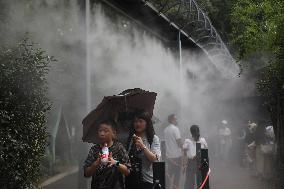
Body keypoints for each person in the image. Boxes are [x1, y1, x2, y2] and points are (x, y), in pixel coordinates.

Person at [83, 120, 130, 189]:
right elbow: (86, 174)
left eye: (105, 131)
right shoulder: (94, 149)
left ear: (113, 133)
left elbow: (127, 171)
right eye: (100, 131)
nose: (102, 134)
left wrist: (115, 163)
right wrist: (95, 164)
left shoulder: (119, 148)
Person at [125, 111, 161, 189]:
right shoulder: (130, 139)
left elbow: (155, 159)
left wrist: (142, 146)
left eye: (140, 121)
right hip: (131, 180)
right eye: (135, 121)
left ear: (147, 123)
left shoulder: (153, 139)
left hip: (147, 180)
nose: (137, 124)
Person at [183, 125, 208, 189]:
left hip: (200, 162)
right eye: (195, 133)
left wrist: (199, 155)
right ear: (192, 133)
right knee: (190, 181)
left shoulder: (202, 140)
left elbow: (206, 151)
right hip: (191, 162)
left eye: (197, 132)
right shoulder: (187, 141)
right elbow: (184, 153)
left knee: (201, 181)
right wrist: (184, 165)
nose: (197, 134)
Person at [164, 114, 182, 189]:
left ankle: (167, 187)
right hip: (177, 156)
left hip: (169, 156)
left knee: (169, 174)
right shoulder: (175, 129)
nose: (177, 120)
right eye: (175, 119)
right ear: (172, 120)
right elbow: (179, 142)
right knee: (177, 175)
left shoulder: (166, 130)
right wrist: (184, 147)